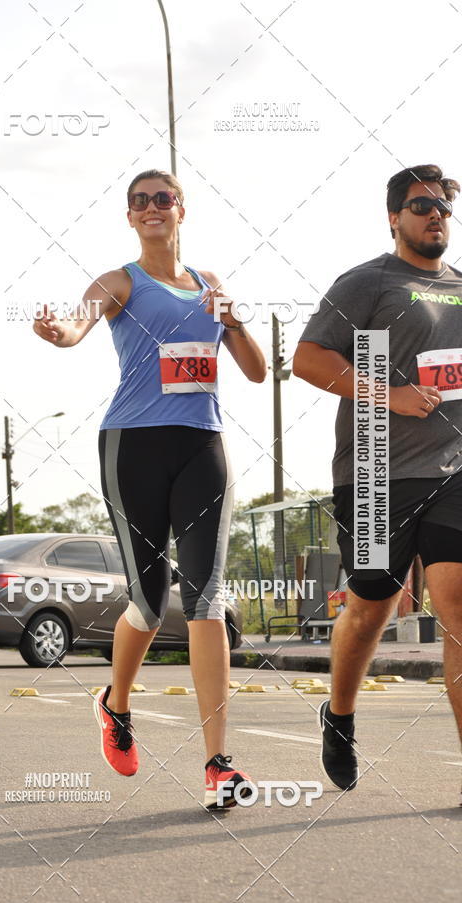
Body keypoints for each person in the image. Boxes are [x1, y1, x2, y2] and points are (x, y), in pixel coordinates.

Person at [33, 169, 267, 809]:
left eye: (161, 198)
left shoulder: (211, 285)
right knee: (149, 594)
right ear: (130, 218)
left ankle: (218, 762)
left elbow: (256, 370)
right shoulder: (119, 282)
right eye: (139, 202)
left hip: (202, 445)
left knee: (207, 595)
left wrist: (234, 320)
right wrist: (62, 333)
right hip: (132, 446)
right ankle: (116, 702)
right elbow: (80, 324)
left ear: (181, 209)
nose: (151, 208)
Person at [293, 164, 462, 796]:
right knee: (373, 606)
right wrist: (387, 395)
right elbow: (307, 358)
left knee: (457, 608)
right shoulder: (369, 282)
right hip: (373, 474)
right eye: (421, 206)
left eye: (444, 205)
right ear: (394, 218)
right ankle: (339, 715)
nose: (435, 215)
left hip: (453, 469)